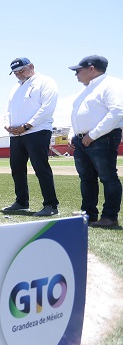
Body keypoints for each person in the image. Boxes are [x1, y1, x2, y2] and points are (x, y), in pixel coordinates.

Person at [68, 55, 123, 228]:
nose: (76, 74)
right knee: (86, 179)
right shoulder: (86, 90)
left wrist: (93, 134)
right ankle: (89, 214)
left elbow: (117, 111)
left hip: (102, 138)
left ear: (91, 69)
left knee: (108, 177)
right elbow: (77, 115)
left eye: (78, 70)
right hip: (82, 140)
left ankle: (109, 216)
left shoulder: (111, 84)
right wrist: (73, 134)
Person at [2, 57, 60, 217]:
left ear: (31, 66)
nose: (19, 74)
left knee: (41, 168)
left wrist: (27, 125)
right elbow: (8, 109)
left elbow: (47, 108)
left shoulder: (45, 82)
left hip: (37, 131)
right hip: (16, 134)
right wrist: (7, 125)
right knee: (17, 169)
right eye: (15, 73)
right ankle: (21, 202)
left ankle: (51, 205)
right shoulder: (15, 88)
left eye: (21, 70)